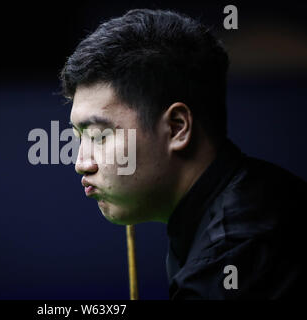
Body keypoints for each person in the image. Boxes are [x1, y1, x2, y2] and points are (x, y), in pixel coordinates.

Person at [59, 8, 306, 299]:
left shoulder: (229, 259)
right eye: (78, 138)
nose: (80, 164)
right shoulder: (259, 197)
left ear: (177, 128)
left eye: (99, 136)